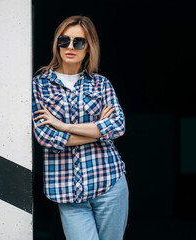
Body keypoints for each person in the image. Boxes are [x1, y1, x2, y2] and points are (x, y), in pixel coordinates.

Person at [32, 15, 128, 240]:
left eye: (79, 42)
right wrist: (99, 132)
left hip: (109, 182)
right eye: (64, 40)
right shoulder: (39, 85)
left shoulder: (101, 84)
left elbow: (117, 126)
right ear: (57, 44)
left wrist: (63, 125)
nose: (70, 47)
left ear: (88, 48)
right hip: (67, 191)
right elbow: (46, 136)